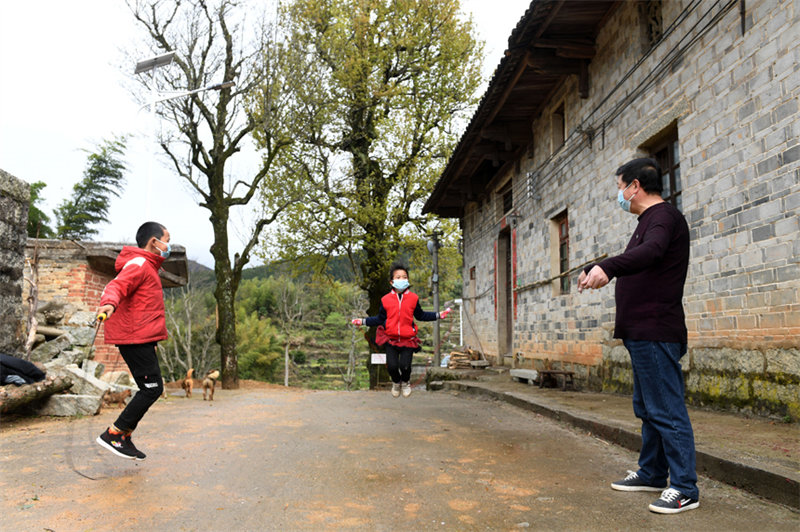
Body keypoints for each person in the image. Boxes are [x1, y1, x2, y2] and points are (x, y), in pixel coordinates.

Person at [577, 158, 699, 514]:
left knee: (666, 409)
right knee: (648, 409)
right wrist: (596, 268)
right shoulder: (647, 222)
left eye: (620, 186)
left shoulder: (663, 217)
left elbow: (652, 253)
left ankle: (684, 488)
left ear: (635, 186)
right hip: (642, 331)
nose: (619, 194)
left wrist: (610, 266)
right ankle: (652, 472)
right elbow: (639, 261)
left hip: (656, 328)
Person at [94, 222, 172, 461]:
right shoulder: (139, 264)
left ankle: (122, 436)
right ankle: (114, 434)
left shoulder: (148, 266)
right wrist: (108, 303)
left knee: (150, 388)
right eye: (166, 240)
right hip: (134, 337)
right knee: (152, 388)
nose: (168, 245)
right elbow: (117, 286)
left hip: (142, 337)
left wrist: (152, 341)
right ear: (154, 242)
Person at [351, 262, 451, 398]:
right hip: (391, 340)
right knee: (392, 367)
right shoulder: (385, 300)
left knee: (405, 366)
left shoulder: (413, 298)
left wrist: (438, 315)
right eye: (398, 277)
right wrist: (362, 321)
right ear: (392, 281)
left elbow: (420, 315)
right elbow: (379, 319)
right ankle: (396, 382)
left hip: (408, 340)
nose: (402, 279)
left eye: (404, 277)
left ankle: (405, 383)